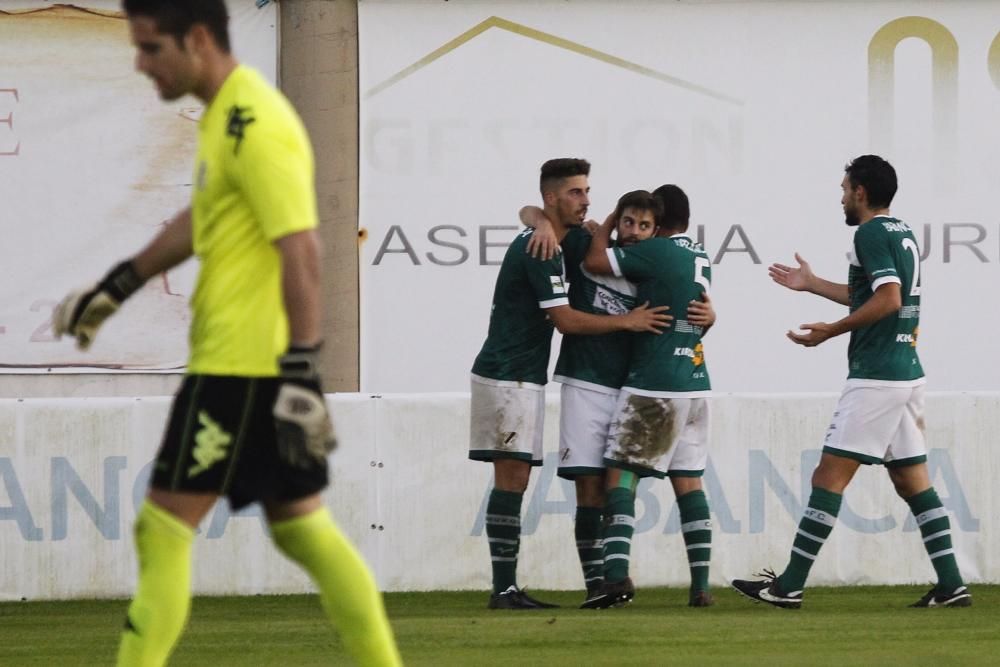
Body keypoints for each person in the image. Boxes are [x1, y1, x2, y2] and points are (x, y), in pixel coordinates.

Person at [52, 2, 402, 665]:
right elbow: (198, 219)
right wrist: (116, 288)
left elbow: (302, 249)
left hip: (239, 371)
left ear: (199, 38)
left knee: (162, 529)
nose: (140, 62)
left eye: (152, 47)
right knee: (304, 533)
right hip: (252, 368)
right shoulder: (222, 117)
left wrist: (302, 370)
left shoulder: (256, 120)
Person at [731, 155, 971, 609]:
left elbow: (888, 300)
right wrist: (813, 283)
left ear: (860, 191)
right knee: (911, 481)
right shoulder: (899, 231)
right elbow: (874, 294)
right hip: (906, 371)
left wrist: (830, 331)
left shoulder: (868, 233)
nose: (841, 196)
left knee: (828, 477)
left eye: (844, 188)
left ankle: (789, 586)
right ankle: (952, 584)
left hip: (877, 376)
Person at [470, 158, 671, 610]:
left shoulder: (561, 238)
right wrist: (628, 321)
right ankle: (503, 589)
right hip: (506, 374)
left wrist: (540, 218)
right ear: (553, 197)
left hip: (523, 375)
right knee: (512, 477)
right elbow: (564, 321)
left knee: (516, 477)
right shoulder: (539, 250)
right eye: (577, 192)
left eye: (586, 190)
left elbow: (537, 214)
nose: (586, 200)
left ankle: (510, 588)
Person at [520, 187, 716, 607]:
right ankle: (600, 587)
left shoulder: (649, 258)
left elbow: (687, 307)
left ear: (657, 227)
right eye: (628, 221)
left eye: (644, 224)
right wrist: (540, 221)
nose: (635, 230)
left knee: (619, 482)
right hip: (589, 380)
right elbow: (534, 213)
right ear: (618, 218)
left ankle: (613, 580)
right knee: (591, 489)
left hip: (638, 384)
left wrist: (710, 315)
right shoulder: (591, 245)